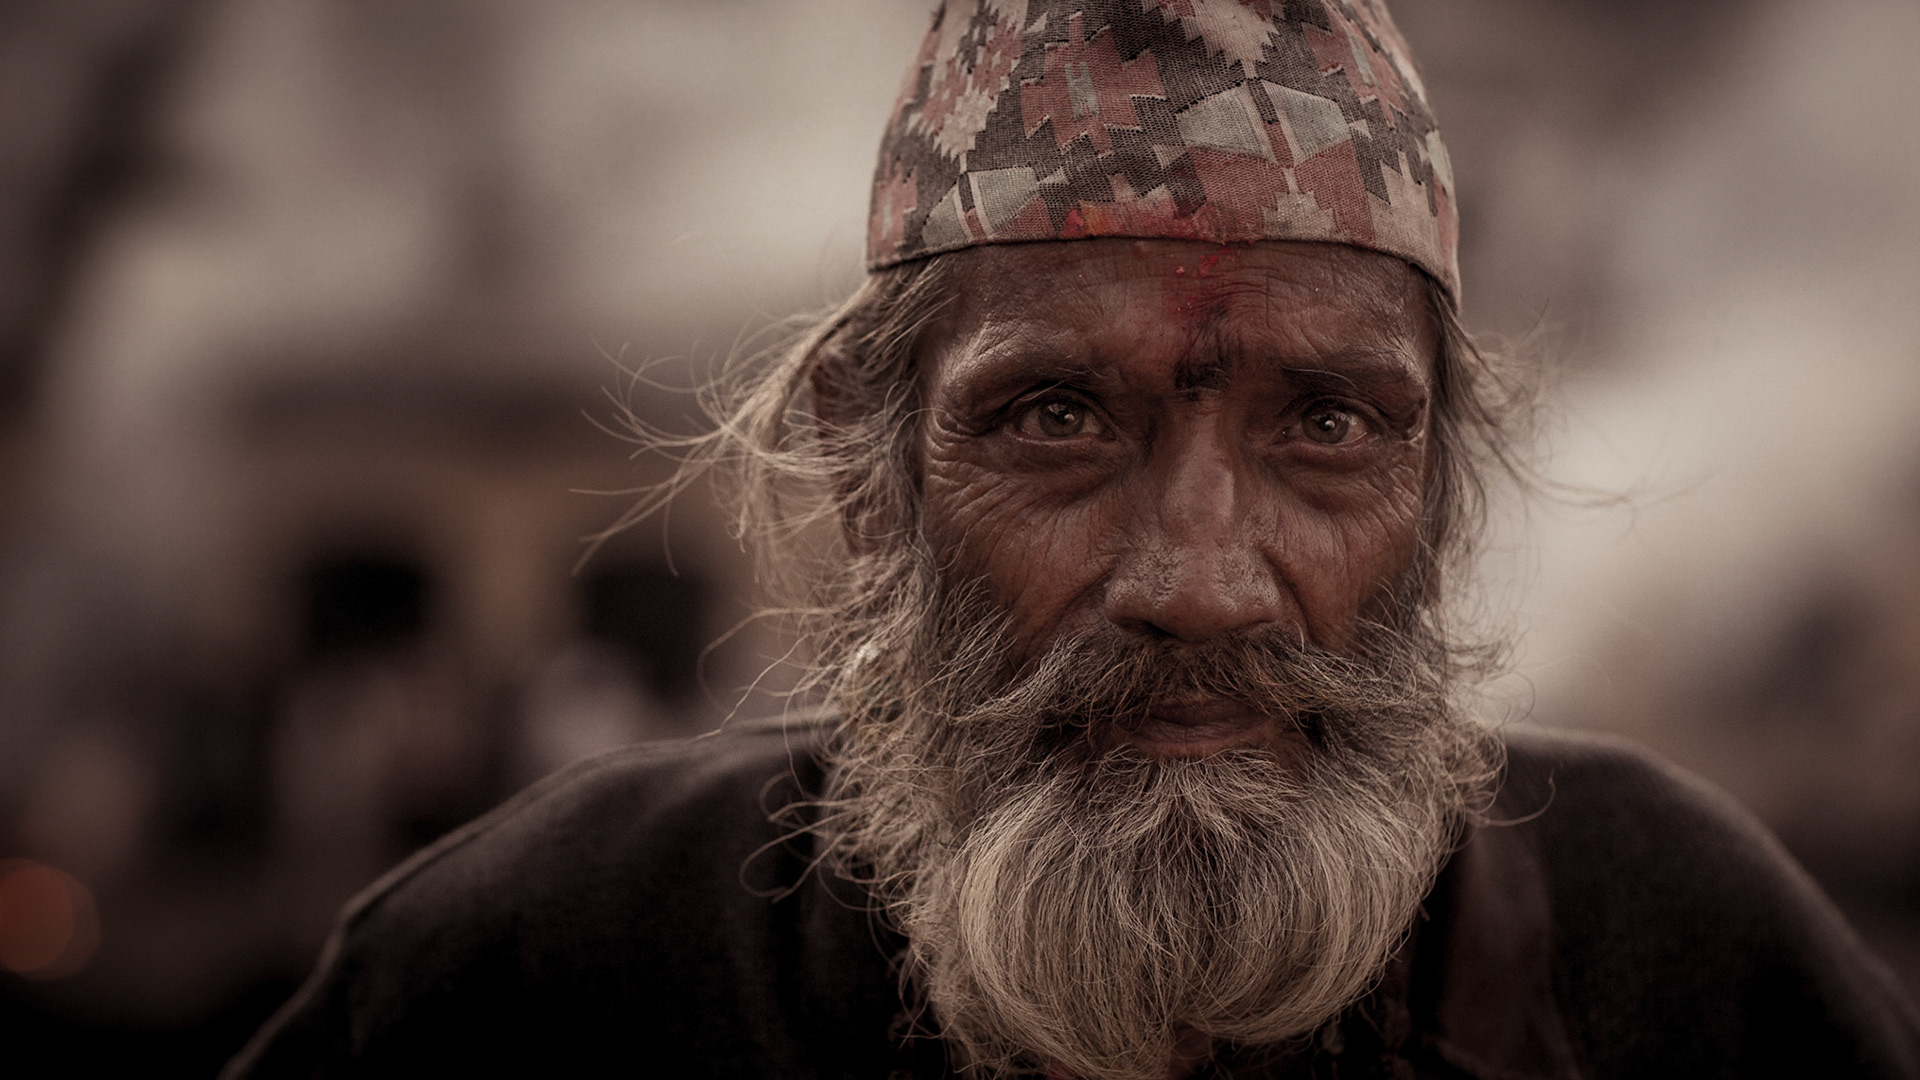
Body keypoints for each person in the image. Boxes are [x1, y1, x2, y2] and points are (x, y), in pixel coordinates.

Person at [225, 2, 1920, 1077]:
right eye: (1056, 418)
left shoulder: (1672, 966)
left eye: (1329, 426)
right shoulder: (553, 977)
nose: (1198, 582)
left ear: (1443, 492)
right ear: (869, 469)